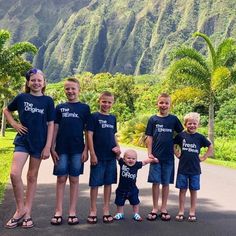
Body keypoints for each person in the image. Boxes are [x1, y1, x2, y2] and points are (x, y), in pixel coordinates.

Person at [3, 68, 54, 229]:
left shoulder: (48, 101)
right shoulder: (22, 97)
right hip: (23, 141)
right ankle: (20, 209)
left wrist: (47, 146)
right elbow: (6, 110)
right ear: (28, 82)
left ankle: (28, 214)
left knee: (32, 177)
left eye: (40, 80)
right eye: (33, 80)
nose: (36, 82)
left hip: (39, 143)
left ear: (44, 83)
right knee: (14, 173)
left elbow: (51, 124)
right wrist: (14, 124)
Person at [50, 78, 90, 225]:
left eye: (73, 88)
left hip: (77, 150)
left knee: (74, 179)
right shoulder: (60, 108)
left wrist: (87, 150)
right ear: (64, 90)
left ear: (79, 90)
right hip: (61, 150)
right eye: (67, 89)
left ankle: (72, 212)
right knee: (61, 179)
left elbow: (87, 131)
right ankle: (58, 211)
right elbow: (55, 127)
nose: (70, 91)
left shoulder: (84, 108)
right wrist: (52, 146)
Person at [145, 93, 184, 221]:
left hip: (168, 158)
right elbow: (149, 137)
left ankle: (164, 208)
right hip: (155, 157)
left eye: (166, 103)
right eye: (161, 102)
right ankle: (155, 208)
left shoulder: (173, 119)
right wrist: (149, 154)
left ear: (170, 105)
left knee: (166, 183)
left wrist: (177, 149)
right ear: (157, 104)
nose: (164, 105)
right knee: (156, 182)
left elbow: (182, 135)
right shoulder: (153, 119)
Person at [87, 91, 121, 224]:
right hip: (98, 156)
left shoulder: (113, 118)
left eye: (109, 102)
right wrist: (92, 153)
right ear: (99, 101)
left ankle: (106, 209)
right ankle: (93, 210)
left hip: (111, 157)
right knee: (95, 184)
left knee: (108, 183)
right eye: (104, 101)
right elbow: (89, 135)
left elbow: (113, 136)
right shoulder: (94, 117)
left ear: (113, 103)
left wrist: (118, 150)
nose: (106, 104)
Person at [174, 112, 213, 222]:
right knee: (182, 190)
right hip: (183, 169)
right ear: (185, 124)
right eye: (189, 123)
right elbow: (174, 144)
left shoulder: (200, 138)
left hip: (195, 170)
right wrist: (176, 153)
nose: (192, 125)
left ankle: (192, 211)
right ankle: (181, 211)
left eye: (194, 123)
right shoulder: (181, 136)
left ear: (198, 125)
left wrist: (204, 157)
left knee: (193, 190)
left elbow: (210, 146)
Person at [113, 149, 158, 222]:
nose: (131, 160)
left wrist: (152, 159)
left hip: (132, 189)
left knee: (135, 202)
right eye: (128, 158)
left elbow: (144, 162)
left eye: (133, 159)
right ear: (124, 159)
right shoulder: (122, 163)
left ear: (136, 159)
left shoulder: (136, 165)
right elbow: (117, 157)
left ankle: (136, 214)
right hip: (121, 189)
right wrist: (116, 152)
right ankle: (120, 213)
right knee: (119, 202)